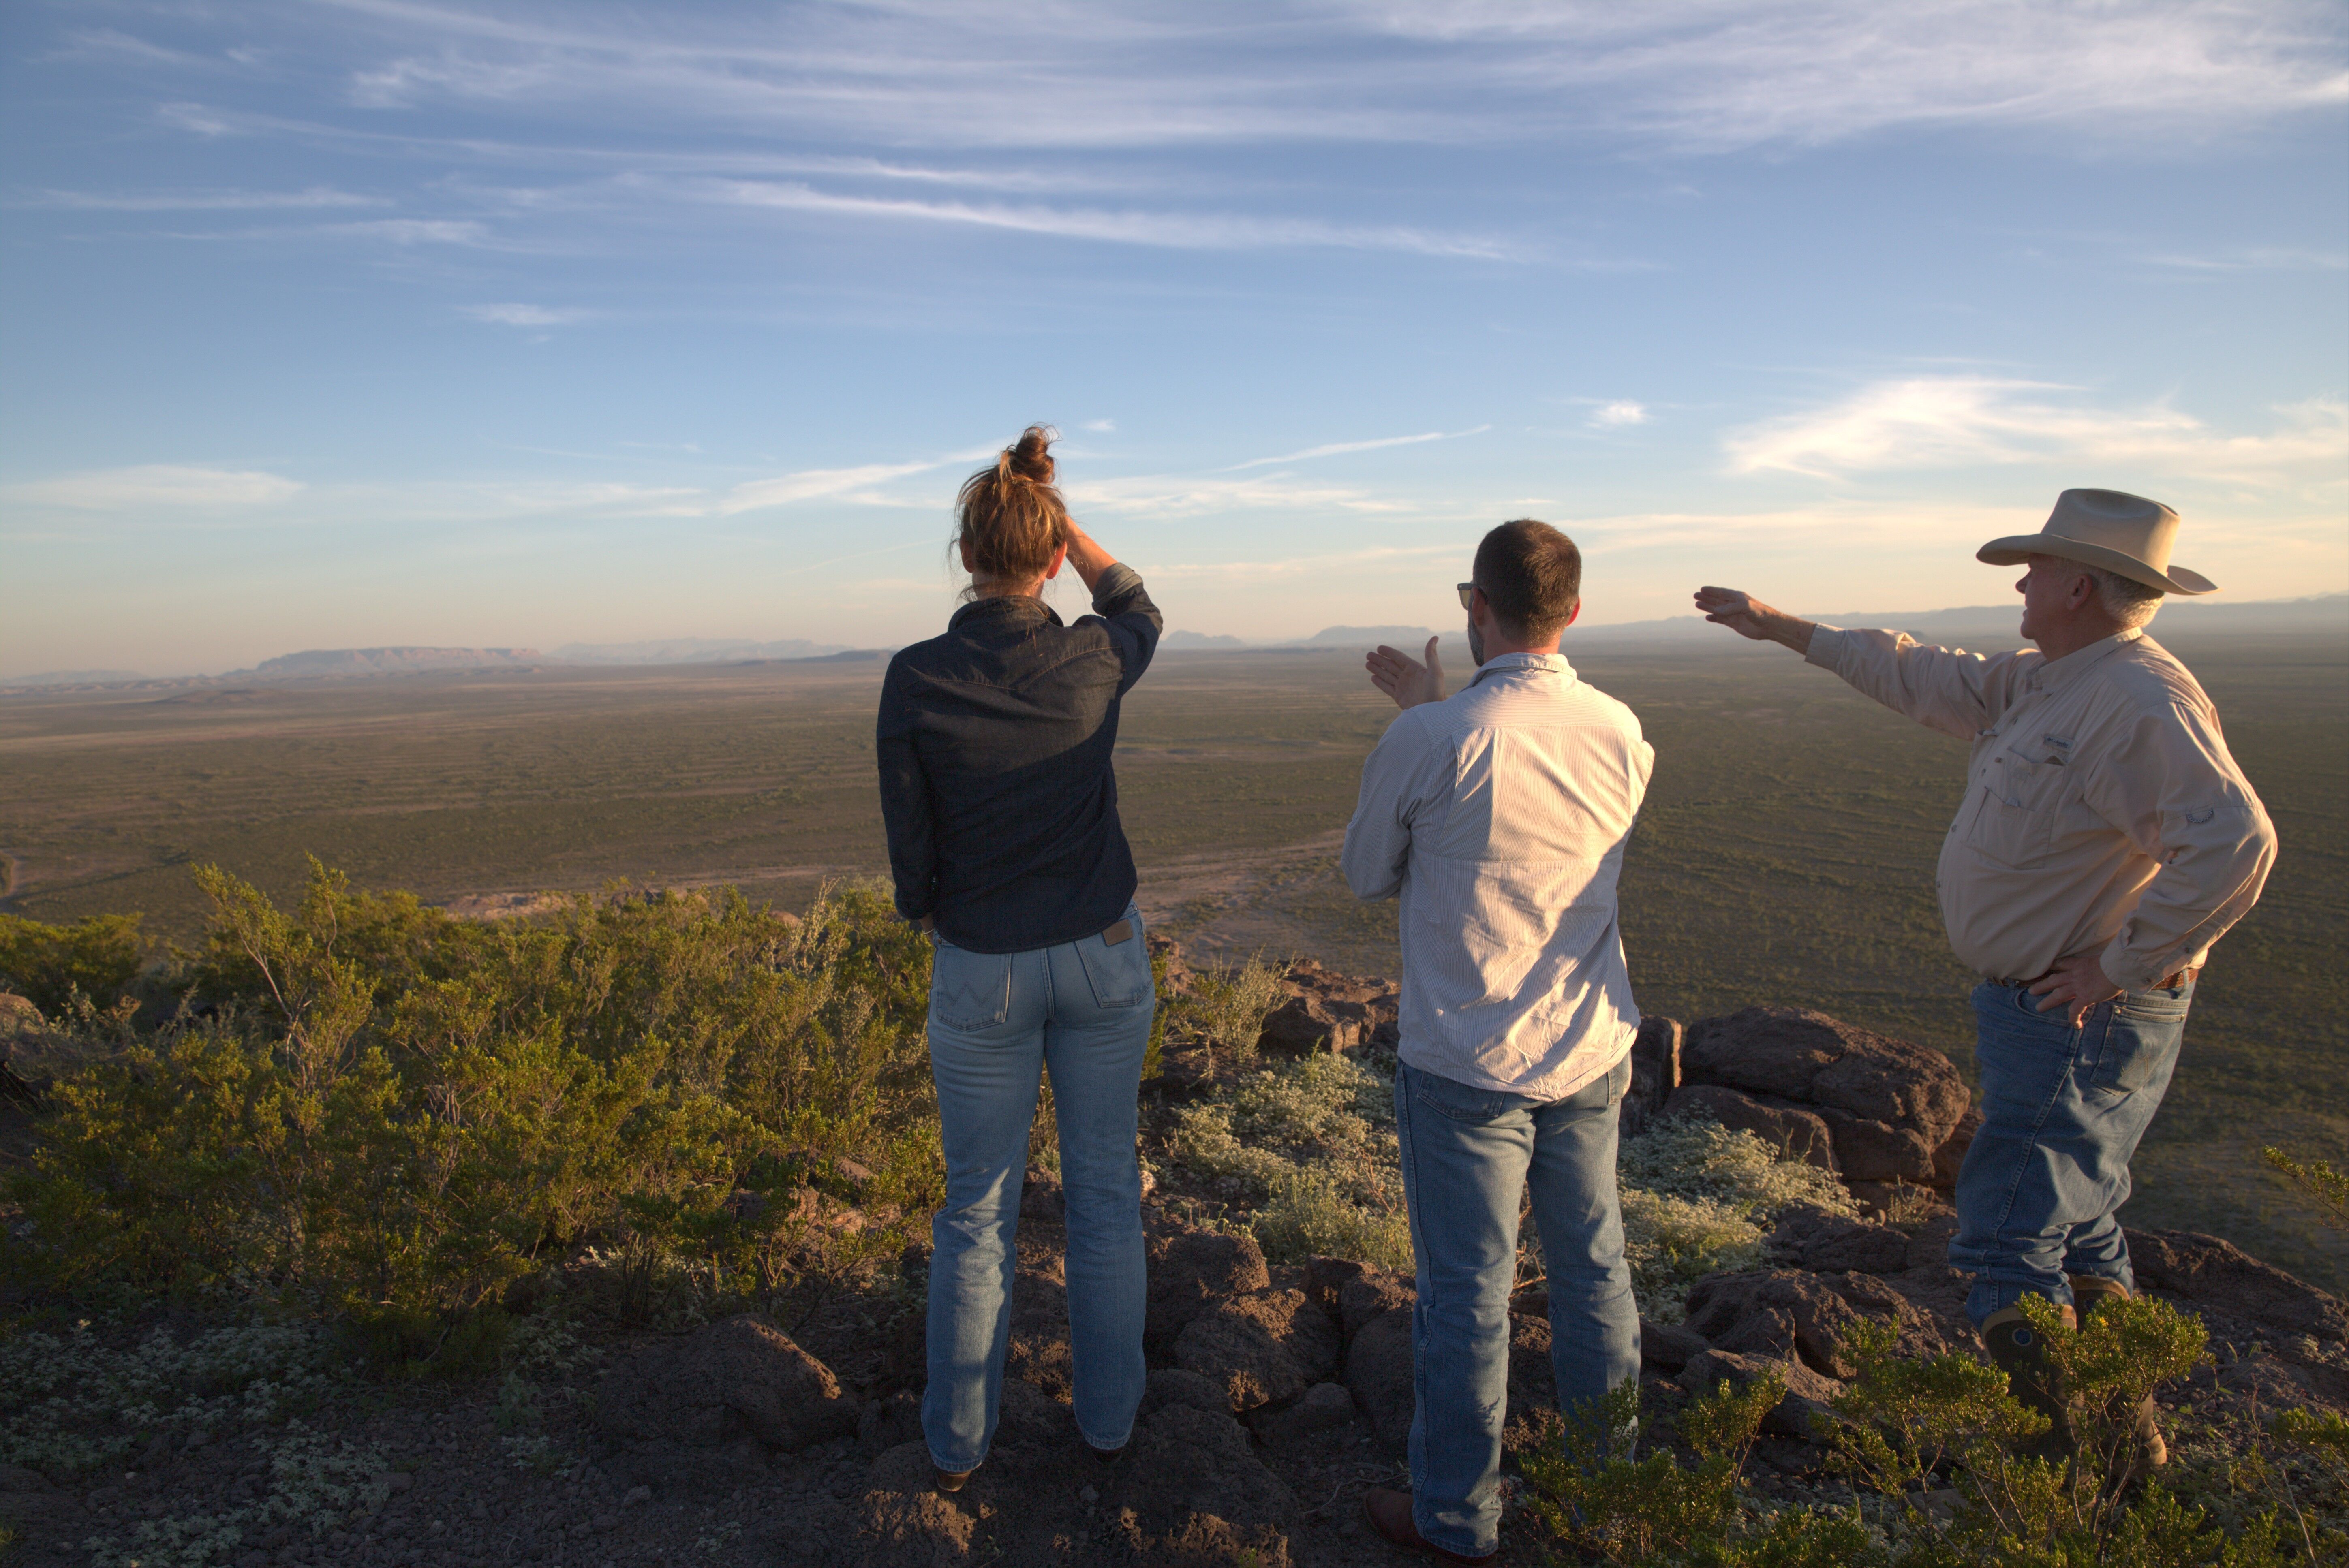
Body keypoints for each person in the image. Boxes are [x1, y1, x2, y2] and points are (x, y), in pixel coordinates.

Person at [1694, 488, 2276, 1467]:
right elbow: (1926, 675)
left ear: (2080, 586)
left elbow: (2237, 842)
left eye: (2039, 568)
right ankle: (2129, 1445)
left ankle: (2054, 1476)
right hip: (2053, 1013)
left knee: (2006, 1241)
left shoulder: (2137, 700)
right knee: (2080, 1222)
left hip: (2075, 1015)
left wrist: (2118, 966)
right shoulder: (2056, 680)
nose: (2022, 581)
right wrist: (1781, 629)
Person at [1341, 520, 1652, 1566]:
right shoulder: (1620, 726)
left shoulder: (1427, 736)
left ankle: (1455, 1515)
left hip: (1466, 1053)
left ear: (1474, 605)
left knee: (1467, 1293)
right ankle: (1613, 1498)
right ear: (1572, 610)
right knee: (1594, 1269)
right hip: (1587, 1039)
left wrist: (1426, 717)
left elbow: (1364, 870)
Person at [874, 425, 1163, 1493]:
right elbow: (1138, 606)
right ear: (1047, 560)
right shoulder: (1092, 653)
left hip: (981, 960)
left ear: (961, 554)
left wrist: (935, 915)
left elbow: (910, 843)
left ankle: (957, 1440)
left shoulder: (915, 676)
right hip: (1099, 950)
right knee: (1100, 1197)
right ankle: (1109, 1424)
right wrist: (1067, 526)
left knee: (976, 1212)